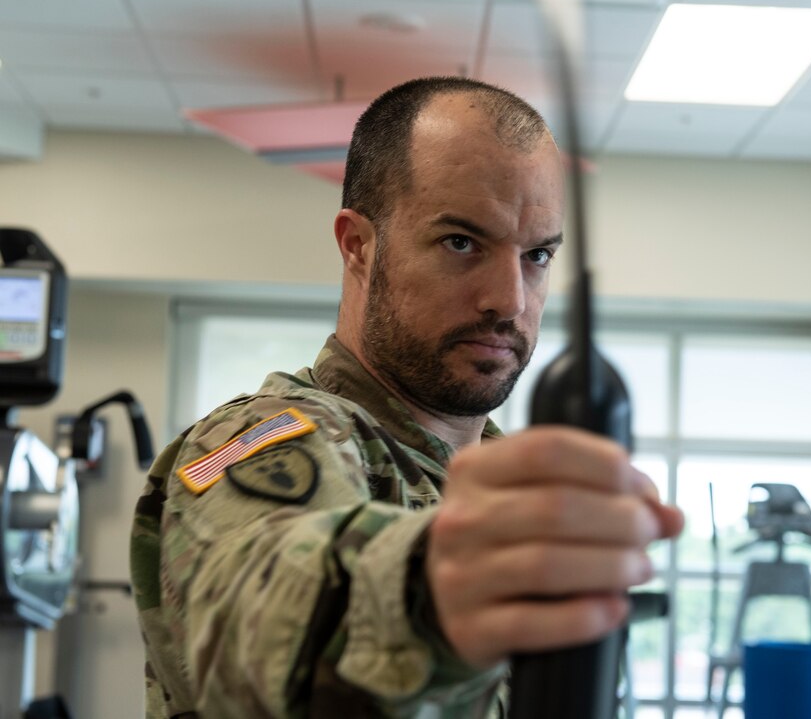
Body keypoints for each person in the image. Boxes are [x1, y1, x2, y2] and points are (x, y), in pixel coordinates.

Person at [130, 76, 684, 718]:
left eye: (536, 255)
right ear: (358, 245)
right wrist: (429, 591)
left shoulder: (510, 493)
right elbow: (253, 615)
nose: (511, 299)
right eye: (461, 242)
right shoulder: (252, 442)